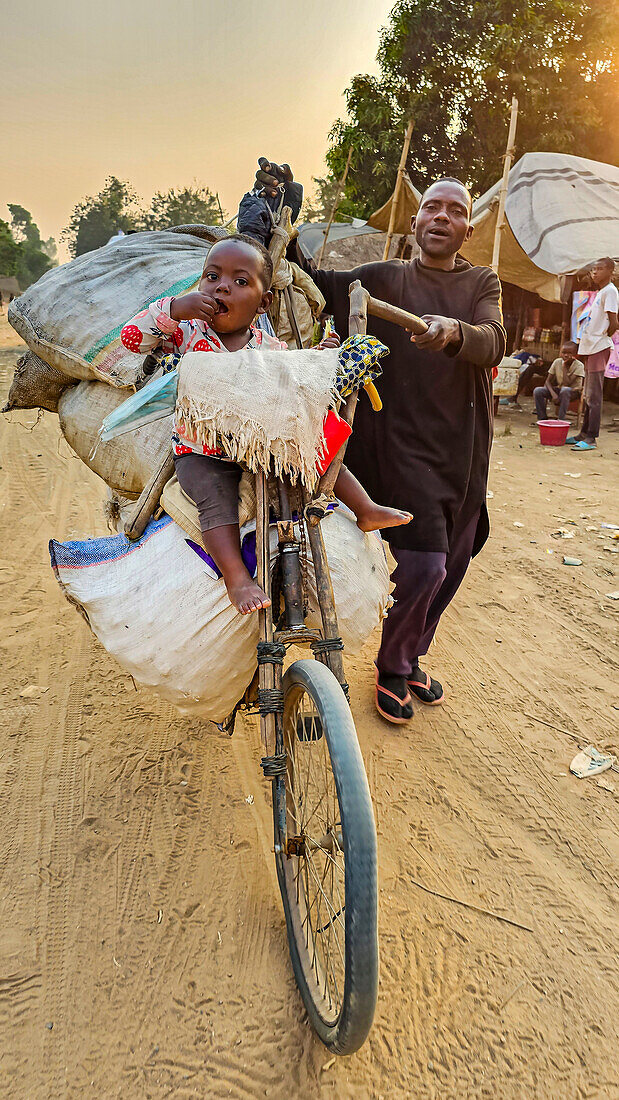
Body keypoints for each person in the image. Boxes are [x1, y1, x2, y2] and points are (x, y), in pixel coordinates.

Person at [246, 165, 506, 723]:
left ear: (468, 229)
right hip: (397, 446)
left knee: (457, 560)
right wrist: (276, 218)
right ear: (415, 222)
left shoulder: (481, 284)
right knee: (426, 567)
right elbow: (309, 281)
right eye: (433, 208)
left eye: (456, 211)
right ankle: (393, 667)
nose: (442, 217)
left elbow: (494, 341)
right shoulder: (381, 279)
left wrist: (455, 332)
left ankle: (412, 654)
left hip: (462, 451)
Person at [121, 234, 411, 615]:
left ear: (264, 303)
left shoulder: (268, 347)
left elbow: (294, 381)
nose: (222, 286)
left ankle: (365, 507)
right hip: (202, 449)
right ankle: (237, 578)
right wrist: (175, 308)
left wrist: (318, 360)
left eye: (241, 282)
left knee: (313, 444)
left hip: (259, 441)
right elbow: (132, 339)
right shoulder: (185, 333)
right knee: (214, 502)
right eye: (212, 277)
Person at [568, 257, 619, 451]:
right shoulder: (601, 292)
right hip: (591, 347)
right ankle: (583, 433)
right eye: (593, 270)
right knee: (588, 394)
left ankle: (591, 438)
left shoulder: (611, 292)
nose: (594, 273)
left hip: (598, 347)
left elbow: (613, 323)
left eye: (599, 269)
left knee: (594, 395)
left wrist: (600, 339)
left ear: (610, 272)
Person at [533, 341, 584, 422]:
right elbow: (547, 381)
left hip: (573, 391)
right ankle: (542, 418)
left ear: (575, 354)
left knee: (565, 390)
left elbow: (567, 383)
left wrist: (564, 367)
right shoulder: (557, 362)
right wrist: (554, 394)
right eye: (564, 353)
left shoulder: (579, 365)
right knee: (538, 391)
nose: (566, 355)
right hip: (560, 390)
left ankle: (560, 420)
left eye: (569, 353)